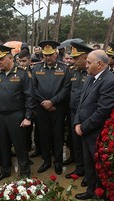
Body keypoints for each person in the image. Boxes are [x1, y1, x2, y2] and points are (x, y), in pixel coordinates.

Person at [74, 50, 114, 200]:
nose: (86, 65)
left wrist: (83, 127)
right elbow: (81, 102)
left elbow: (103, 111)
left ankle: (99, 198)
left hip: (96, 133)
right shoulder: (91, 76)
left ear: (99, 64)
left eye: (88, 62)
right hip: (85, 130)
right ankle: (91, 191)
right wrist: (77, 122)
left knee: (98, 167)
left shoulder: (110, 81)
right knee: (88, 165)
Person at [0, 44, 35, 182]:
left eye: (1, 59)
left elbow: (29, 97)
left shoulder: (22, 73)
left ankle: (25, 174)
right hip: (0, 116)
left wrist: (28, 116)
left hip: (17, 115)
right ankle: (5, 170)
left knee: (20, 146)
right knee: (2, 145)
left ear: (10, 58)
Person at [32, 40, 71, 175]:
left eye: (50, 55)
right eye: (45, 55)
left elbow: (66, 89)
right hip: (42, 109)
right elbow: (34, 88)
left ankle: (58, 162)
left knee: (58, 136)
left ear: (56, 53)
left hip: (58, 109)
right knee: (44, 136)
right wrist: (44, 102)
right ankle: (46, 160)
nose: (48, 58)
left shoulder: (65, 68)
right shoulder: (36, 68)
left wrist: (52, 102)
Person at [64, 41, 93, 187]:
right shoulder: (73, 71)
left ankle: (88, 174)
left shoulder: (91, 74)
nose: (73, 61)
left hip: (85, 116)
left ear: (85, 57)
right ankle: (79, 168)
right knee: (75, 142)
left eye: (76, 58)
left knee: (86, 146)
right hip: (73, 112)